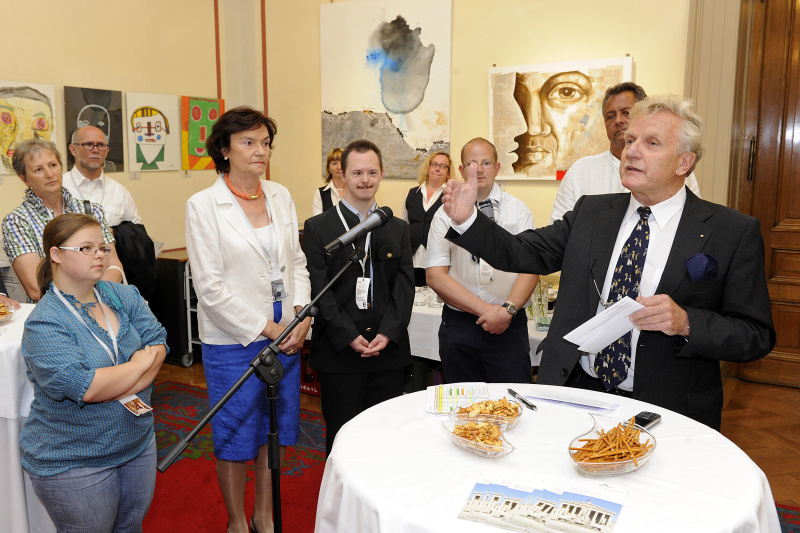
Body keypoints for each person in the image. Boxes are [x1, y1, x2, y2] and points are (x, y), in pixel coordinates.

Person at [442, 96, 775, 431]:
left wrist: (687, 322)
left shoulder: (730, 231)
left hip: (666, 409)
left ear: (683, 162)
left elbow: (755, 335)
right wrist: (468, 219)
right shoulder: (592, 213)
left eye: (652, 143)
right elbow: (518, 252)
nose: (631, 151)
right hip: (576, 394)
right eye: (630, 140)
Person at [185, 106, 311, 533]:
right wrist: (270, 329)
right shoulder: (203, 205)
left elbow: (296, 261)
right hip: (234, 341)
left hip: (286, 333)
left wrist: (301, 315)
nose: (261, 151)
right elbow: (210, 287)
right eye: (249, 142)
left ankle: (264, 515)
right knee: (236, 437)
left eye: (265, 142)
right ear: (224, 149)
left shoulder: (279, 194)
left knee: (272, 433)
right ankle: (237, 522)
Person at [20, 213, 166, 532]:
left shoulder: (123, 295)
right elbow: (86, 387)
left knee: (131, 528)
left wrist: (121, 377)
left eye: (102, 247)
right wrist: (140, 365)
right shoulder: (44, 323)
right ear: (56, 255)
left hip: (136, 441)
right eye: (87, 248)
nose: (100, 254)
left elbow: (158, 341)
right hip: (74, 459)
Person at [302, 139, 414, 455]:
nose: (365, 180)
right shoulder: (319, 227)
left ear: (381, 174)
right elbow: (319, 290)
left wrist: (388, 333)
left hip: (386, 353)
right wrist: (349, 335)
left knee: (385, 439)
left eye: (372, 172)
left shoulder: (398, 228)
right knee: (343, 438)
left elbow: (404, 289)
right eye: (357, 173)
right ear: (343, 174)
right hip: (340, 354)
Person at [426, 138, 538, 384]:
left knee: (514, 403)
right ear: (462, 170)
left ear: (497, 168)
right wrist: (487, 311)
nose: (478, 170)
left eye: (486, 162)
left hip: (509, 323)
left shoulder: (518, 211)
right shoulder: (445, 213)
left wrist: (507, 311)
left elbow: (530, 268)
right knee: (463, 409)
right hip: (460, 325)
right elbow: (435, 275)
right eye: (472, 164)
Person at [550, 82, 701, 223]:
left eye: (626, 113)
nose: (618, 120)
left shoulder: (674, 170)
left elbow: (692, 222)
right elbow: (560, 232)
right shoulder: (580, 171)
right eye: (611, 116)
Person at [2, 139, 124, 302]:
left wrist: (96, 301)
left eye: (53, 165)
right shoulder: (17, 222)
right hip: (57, 317)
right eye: (38, 169)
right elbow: (36, 288)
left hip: (103, 306)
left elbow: (114, 266)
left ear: (61, 167)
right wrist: (89, 298)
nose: (49, 174)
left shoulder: (91, 211)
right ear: (24, 178)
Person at [63, 126, 142, 227]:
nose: (95, 150)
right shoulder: (59, 188)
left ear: (107, 151)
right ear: (73, 150)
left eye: (100, 145)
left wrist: (112, 233)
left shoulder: (120, 192)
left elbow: (137, 233)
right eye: (88, 144)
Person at [401, 151, 451, 287]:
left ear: (448, 173)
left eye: (443, 166)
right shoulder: (411, 193)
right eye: (434, 164)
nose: (437, 169)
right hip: (412, 259)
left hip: (438, 261)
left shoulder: (451, 196)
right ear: (427, 168)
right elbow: (404, 225)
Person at [311, 147, 344, 215]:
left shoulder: (355, 191)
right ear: (328, 168)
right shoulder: (320, 194)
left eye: (342, 163)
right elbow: (318, 222)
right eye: (334, 163)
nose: (339, 167)